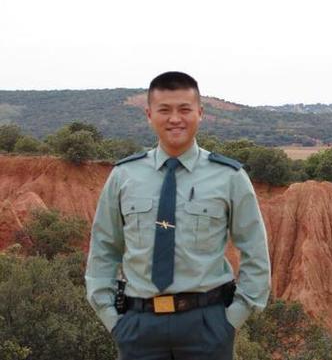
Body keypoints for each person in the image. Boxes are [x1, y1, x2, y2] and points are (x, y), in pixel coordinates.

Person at [85, 71, 271, 360]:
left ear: (200, 113)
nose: (175, 118)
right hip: (138, 327)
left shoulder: (230, 177)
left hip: (207, 326)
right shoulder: (123, 176)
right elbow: (104, 249)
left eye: (184, 109)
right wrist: (111, 318)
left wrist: (232, 320)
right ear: (149, 115)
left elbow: (255, 252)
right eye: (164, 110)